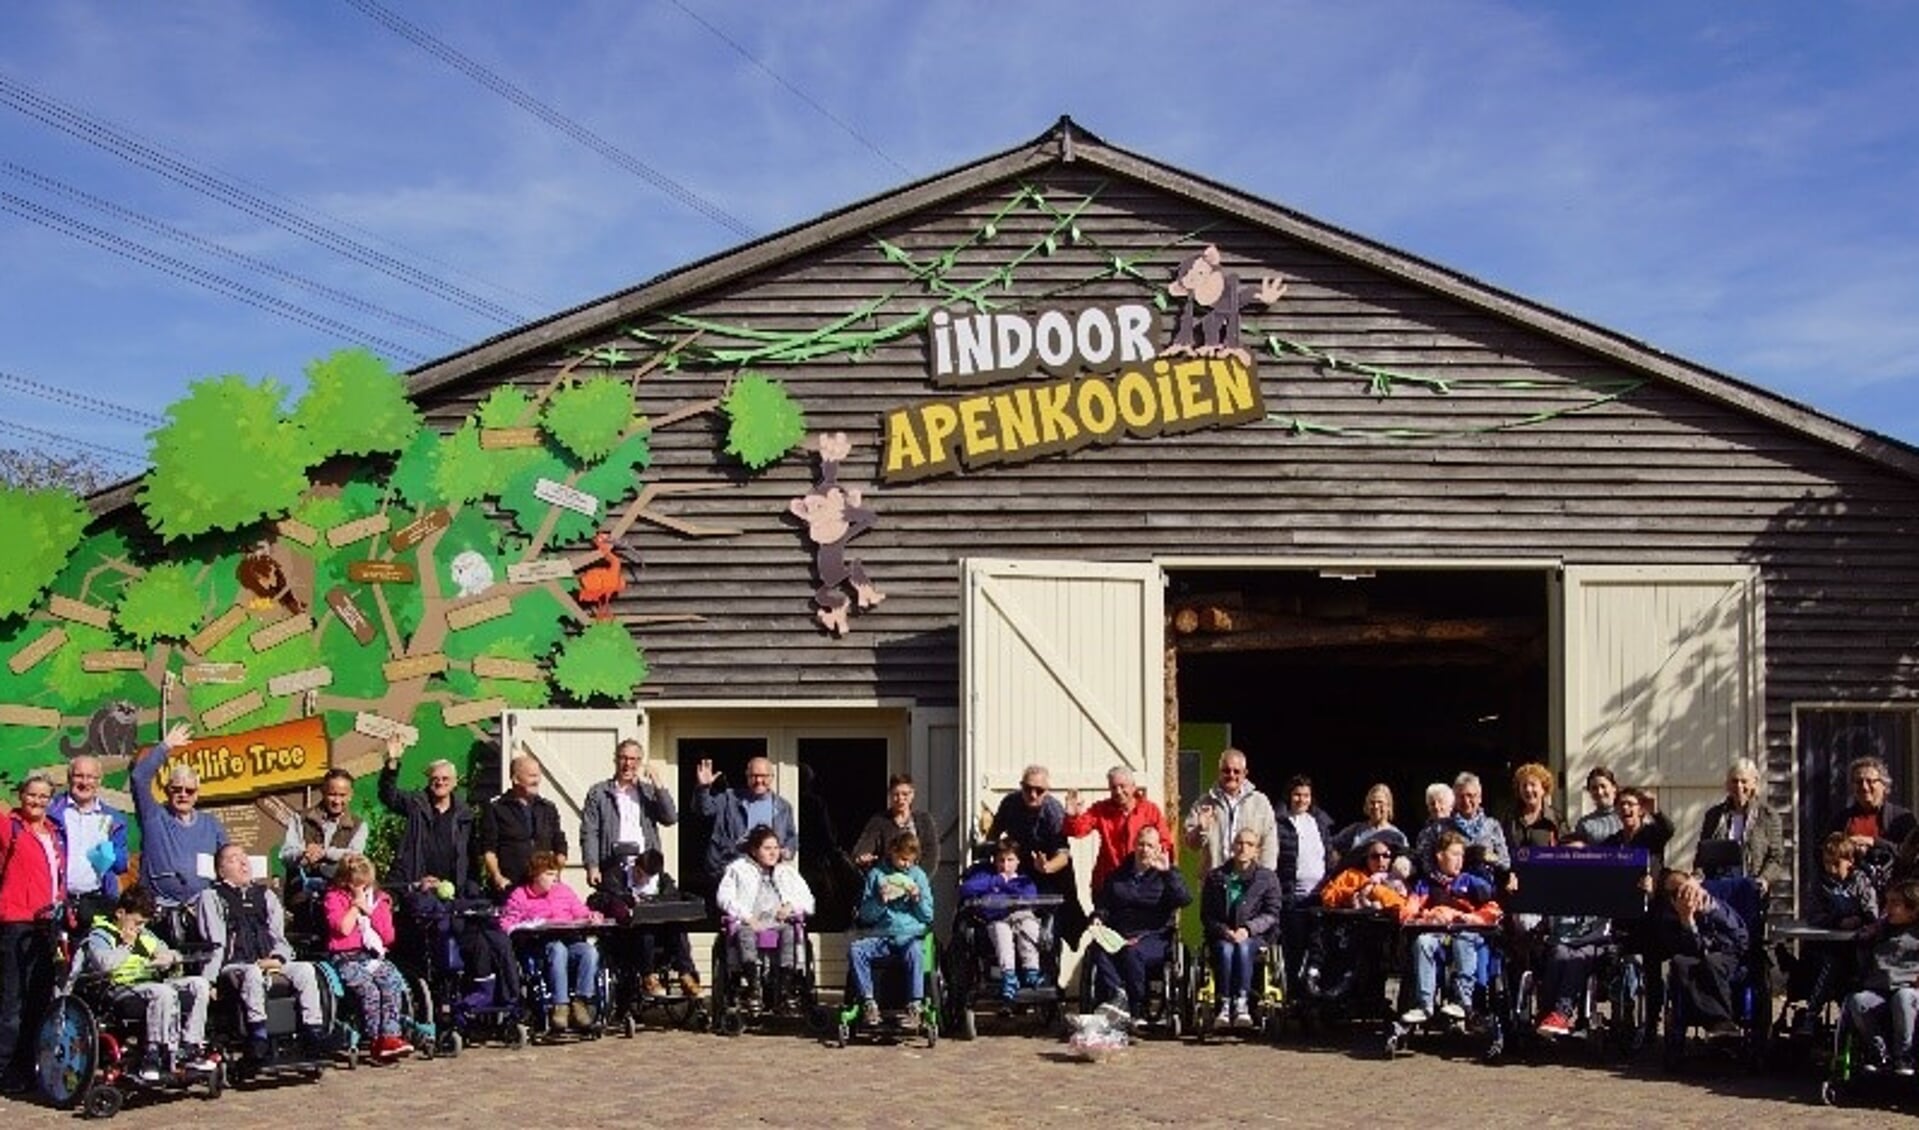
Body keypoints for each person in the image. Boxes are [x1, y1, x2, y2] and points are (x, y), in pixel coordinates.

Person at [378, 739, 519, 1003]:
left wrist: (475, 887)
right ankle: (445, 990)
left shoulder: (465, 814)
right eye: (435, 778)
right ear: (429, 781)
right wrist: (392, 763)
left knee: (479, 925)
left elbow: (471, 856)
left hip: (455, 889)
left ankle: (487, 988)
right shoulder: (417, 805)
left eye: (445, 779)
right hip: (421, 887)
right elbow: (389, 795)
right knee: (441, 925)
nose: (440, 782)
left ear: (455, 782)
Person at [192, 844, 327, 1061]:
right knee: (252, 974)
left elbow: (279, 938)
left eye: (244, 857)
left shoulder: (266, 895)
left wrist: (277, 958)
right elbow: (215, 942)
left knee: (305, 970)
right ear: (220, 870)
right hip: (235, 964)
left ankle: (312, 1034)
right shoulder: (211, 896)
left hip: (269, 961)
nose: (244, 862)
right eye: (234, 859)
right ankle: (258, 1036)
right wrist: (210, 981)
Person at [74, 884, 214, 1080]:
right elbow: (104, 965)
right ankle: (154, 1052)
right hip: (117, 989)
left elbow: (168, 951)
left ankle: (191, 1046)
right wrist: (126, 946)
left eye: (143, 924)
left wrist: (168, 958)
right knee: (162, 992)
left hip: (147, 983)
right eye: (137, 923)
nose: (140, 929)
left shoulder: (145, 935)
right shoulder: (100, 935)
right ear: (121, 913)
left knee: (199, 985)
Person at [1085, 826, 1191, 1025]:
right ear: (1134, 846)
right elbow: (1105, 906)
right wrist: (1098, 917)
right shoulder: (1117, 876)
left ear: (1158, 849)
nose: (1145, 850)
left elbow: (1184, 900)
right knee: (1097, 950)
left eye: (1150, 846)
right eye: (1141, 844)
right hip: (1119, 934)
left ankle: (1137, 1008)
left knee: (1132, 952)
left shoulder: (1166, 875)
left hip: (1154, 936)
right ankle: (1118, 995)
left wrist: (1168, 874)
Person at [0, 772, 65, 1094]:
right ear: (21, 795)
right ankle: (5, 1067)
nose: (37, 801)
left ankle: (28, 1067)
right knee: (13, 1001)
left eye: (43, 797)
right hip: (16, 922)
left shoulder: (52, 832)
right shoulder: (8, 827)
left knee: (40, 1000)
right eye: (32, 795)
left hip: (48, 925)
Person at [1399, 831, 1501, 1024]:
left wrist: (1468, 917)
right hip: (1437, 935)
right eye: (1455, 854)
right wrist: (1428, 917)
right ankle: (1424, 1005)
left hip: (1468, 936)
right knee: (1422, 941)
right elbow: (1407, 914)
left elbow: (1494, 910)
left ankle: (1462, 1001)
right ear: (1440, 855)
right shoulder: (1425, 884)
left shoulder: (1471, 882)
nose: (1459, 860)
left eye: (1462, 855)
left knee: (1463, 937)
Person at [500, 851, 604, 1032]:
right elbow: (506, 924)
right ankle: (560, 1006)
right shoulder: (520, 895)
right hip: (539, 948)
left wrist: (592, 916)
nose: (554, 879)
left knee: (589, 951)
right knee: (558, 950)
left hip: (569, 940)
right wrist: (527, 926)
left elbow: (581, 911)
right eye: (549, 874)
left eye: (555, 874)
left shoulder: (564, 891)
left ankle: (581, 1002)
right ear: (535, 875)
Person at [322, 854, 413, 1061]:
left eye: (366, 884)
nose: (363, 888)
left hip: (371, 955)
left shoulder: (380, 899)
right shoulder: (334, 898)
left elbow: (388, 937)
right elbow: (343, 929)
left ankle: (390, 1036)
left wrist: (372, 912)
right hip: (345, 957)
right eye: (357, 885)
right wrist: (355, 906)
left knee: (391, 981)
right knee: (369, 989)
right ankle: (375, 1039)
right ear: (346, 882)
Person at [129, 723, 229, 911]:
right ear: (167, 791)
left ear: (197, 794)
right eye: (177, 789)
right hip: (157, 907)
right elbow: (138, 778)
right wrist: (165, 746)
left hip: (201, 909)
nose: (183, 794)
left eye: (189, 790)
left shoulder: (211, 825)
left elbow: (227, 860)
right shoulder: (154, 816)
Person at [847, 831, 934, 1029]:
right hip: (883, 934)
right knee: (856, 950)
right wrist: (879, 901)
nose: (906, 865)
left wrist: (917, 899)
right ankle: (868, 1001)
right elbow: (865, 916)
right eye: (903, 859)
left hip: (909, 934)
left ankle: (915, 1004)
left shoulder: (918, 876)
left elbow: (928, 916)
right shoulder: (877, 875)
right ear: (893, 852)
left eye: (910, 861)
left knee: (916, 951)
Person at [986, 765, 1081, 943]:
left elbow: (1063, 855)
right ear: (1021, 786)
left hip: (1051, 871)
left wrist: (1047, 867)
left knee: (1062, 920)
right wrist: (993, 854)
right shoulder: (1010, 803)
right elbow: (994, 834)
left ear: (1047, 790)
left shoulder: (1052, 811)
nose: (1033, 795)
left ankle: (1048, 961)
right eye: (1028, 789)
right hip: (1021, 868)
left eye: (1039, 790)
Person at [1200, 828, 1284, 1029]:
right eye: (1239, 843)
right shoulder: (1216, 877)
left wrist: (1248, 929)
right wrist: (1224, 931)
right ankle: (1225, 1003)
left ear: (1257, 850)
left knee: (1244, 947)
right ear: (1232, 846)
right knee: (1226, 950)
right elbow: (1207, 915)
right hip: (1223, 935)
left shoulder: (1267, 878)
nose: (1243, 848)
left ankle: (1243, 1003)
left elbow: (1272, 913)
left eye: (1249, 844)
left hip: (1255, 937)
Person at [1797, 831, 1878, 1036]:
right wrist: (1836, 921)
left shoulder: (1862, 882)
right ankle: (1811, 1013)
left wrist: (1860, 919)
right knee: (1831, 963)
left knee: (1846, 966)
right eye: (1827, 864)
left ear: (1849, 861)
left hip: (1857, 947)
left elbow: (1873, 913)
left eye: (1836, 864)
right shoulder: (1820, 885)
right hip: (1826, 946)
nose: (1831, 870)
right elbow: (1813, 915)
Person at [714, 825, 815, 984]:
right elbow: (724, 898)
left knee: (789, 932)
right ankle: (753, 985)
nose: (773, 852)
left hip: (779, 923)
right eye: (767, 848)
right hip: (750, 922)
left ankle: (785, 985)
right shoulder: (738, 870)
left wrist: (791, 906)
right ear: (754, 851)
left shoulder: (787, 872)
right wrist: (747, 917)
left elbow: (808, 900)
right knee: (744, 933)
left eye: (776, 847)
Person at [1655, 870, 1749, 1038]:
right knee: (1679, 963)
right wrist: (1687, 920)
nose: (1685, 896)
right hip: (1695, 957)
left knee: (1712, 962)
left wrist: (1708, 910)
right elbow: (1686, 949)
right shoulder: (1669, 917)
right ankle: (1715, 1020)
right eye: (1676, 893)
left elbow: (1739, 937)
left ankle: (1723, 1022)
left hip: (1727, 955)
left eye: (1685, 889)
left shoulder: (1717, 906)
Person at [580, 739, 679, 894]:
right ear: (615, 760)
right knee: (617, 913)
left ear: (640, 762)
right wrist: (592, 866)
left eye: (633, 759)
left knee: (648, 915)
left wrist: (658, 785)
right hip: (613, 865)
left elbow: (670, 818)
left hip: (645, 866)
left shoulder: (648, 792)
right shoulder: (599, 793)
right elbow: (590, 832)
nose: (627, 764)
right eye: (623, 758)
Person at [1842, 879, 1919, 1074]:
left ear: (1913, 910)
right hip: (1880, 990)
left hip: (1910, 990)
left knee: (1903, 998)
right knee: (1858, 1001)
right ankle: (1879, 1053)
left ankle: (1904, 1056)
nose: (1888, 908)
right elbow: (1861, 942)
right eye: (1887, 903)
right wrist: (1867, 933)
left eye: (1895, 904)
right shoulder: (1882, 929)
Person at [1063, 765, 1174, 895]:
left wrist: (1156, 868)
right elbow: (1077, 831)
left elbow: (1165, 843)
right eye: (1114, 787)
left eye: (1122, 786)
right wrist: (1072, 816)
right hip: (1109, 882)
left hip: (1143, 882)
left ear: (1133, 786)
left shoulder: (1149, 810)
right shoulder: (1101, 809)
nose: (1118, 791)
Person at [957, 842, 1044, 1000]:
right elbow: (965, 889)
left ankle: (1031, 970)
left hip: (1021, 916)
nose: (1005, 865)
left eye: (1010, 860)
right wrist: (997, 882)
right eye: (1001, 860)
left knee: (1030, 928)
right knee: (1001, 934)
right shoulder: (986, 877)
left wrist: (1007, 888)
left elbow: (1030, 896)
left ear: (1018, 861)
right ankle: (1008, 975)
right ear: (995, 861)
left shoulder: (1024, 880)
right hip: (996, 918)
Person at [50, 754, 129, 928]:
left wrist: (109, 854)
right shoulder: (51, 813)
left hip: (97, 900)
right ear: (69, 778)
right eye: (79, 776)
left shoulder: (113, 819)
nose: (84, 782)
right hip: (58, 903)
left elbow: (121, 865)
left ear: (99, 781)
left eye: (91, 777)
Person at [696, 756, 797, 884]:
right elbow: (704, 810)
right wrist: (703, 789)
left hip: (768, 877)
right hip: (730, 873)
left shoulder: (783, 807)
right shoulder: (730, 799)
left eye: (764, 776)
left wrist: (787, 851)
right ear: (747, 776)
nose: (759, 780)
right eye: (754, 776)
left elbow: (791, 837)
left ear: (772, 777)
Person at [480, 752, 567, 898]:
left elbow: (560, 843)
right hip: (510, 886)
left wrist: (556, 871)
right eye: (532, 776)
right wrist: (497, 877)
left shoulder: (547, 808)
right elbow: (489, 850)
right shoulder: (496, 808)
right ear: (515, 779)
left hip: (543, 888)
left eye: (538, 776)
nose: (537, 781)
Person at [1694, 757, 1787, 893]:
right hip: (1718, 886)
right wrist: (1697, 878)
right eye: (1734, 781)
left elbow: (1776, 858)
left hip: (1750, 886)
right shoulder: (1714, 816)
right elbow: (1703, 855)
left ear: (1754, 783)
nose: (1739, 786)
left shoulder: (1768, 816)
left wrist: (1764, 879)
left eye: (1744, 781)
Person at [1182, 749, 1278, 872]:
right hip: (1216, 880)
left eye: (1236, 771)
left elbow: (1269, 844)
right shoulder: (1204, 803)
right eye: (1226, 770)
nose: (1231, 775)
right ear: (1219, 772)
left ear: (1245, 773)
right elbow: (1191, 845)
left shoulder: (1260, 803)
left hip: (1250, 881)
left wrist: (1265, 877)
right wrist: (1201, 829)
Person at [281, 768, 366, 905]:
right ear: (323, 792)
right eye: (332, 794)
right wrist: (303, 854)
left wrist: (325, 853)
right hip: (303, 899)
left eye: (342, 795)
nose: (337, 801)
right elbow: (285, 855)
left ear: (350, 795)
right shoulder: (300, 818)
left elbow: (355, 857)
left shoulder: (359, 826)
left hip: (340, 901)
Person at [1531, 912, 1612, 1037]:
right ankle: (1546, 1010)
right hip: (1562, 940)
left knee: (1577, 959)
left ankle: (1561, 1013)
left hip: (1594, 941)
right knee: (1559, 954)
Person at [851, 774, 941, 879]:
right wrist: (862, 858)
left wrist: (917, 879)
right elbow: (863, 848)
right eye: (896, 794)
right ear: (890, 795)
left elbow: (931, 856)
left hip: (915, 883)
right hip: (886, 882)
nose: (900, 799)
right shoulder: (879, 821)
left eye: (905, 794)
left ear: (912, 795)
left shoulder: (924, 820)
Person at [1832, 755, 1917, 859]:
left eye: (1870, 781)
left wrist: (1873, 842)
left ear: (1884, 785)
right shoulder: (1841, 819)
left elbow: (1911, 854)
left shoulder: (1901, 818)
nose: (1864, 787)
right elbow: (1824, 852)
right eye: (1859, 782)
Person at [1319, 842, 1412, 913]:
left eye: (1385, 855)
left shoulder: (1397, 880)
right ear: (1367, 859)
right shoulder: (1351, 874)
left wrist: (1376, 891)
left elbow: (1404, 905)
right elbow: (1327, 896)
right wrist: (1356, 892)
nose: (1380, 860)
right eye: (1374, 856)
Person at [1448, 772, 1512, 873]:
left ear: (1479, 798)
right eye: (1461, 796)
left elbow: (1505, 862)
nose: (1466, 801)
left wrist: (1486, 856)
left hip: (1486, 884)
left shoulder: (1492, 825)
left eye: (1470, 795)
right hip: (1456, 885)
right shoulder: (1445, 826)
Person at [1330, 784, 1406, 858]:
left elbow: (1406, 860)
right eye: (1372, 803)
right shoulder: (1355, 830)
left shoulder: (1397, 836)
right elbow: (1330, 844)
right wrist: (1335, 857)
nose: (1376, 806)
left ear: (1388, 806)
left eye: (1380, 802)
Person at [1504, 762, 1562, 852]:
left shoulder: (1556, 819)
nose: (1528, 789)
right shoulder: (1510, 818)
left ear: (1544, 789)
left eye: (1533, 784)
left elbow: (1567, 851)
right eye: (1524, 785)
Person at [1410, 782, 1456, 872]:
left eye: (1441, 801)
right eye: (1432, 803)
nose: (1436, 807)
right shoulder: (1424, 833)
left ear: (1451, 805)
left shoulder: (1458, 828)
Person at [1569, 767, 1620, 845]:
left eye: (1603, 786)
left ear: (1614, 788)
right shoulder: (1585, 823)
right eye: (1594, 788)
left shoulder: (1627, 818)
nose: (1599, 792)